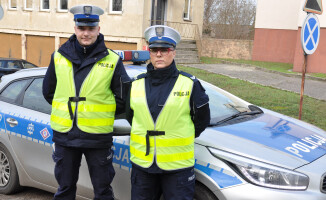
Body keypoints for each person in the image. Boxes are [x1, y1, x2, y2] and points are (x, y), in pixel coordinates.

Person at [42, 4, 130, 200]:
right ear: (75, 28)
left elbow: (124, 100)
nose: (86, 33)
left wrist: (99, 113)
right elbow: (48, 92)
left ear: (98, 29)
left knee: (103, 191)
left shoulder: (113, 61)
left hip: (97, 138)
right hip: (65, 136)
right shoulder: (58, 57)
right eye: (82, 28)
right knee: (65, 189)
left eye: (91, 29)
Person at [126, 25, 210, 200]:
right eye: (154, 49)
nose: (158, 54)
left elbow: (201, 120)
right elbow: (130, 117)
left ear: (174, 52)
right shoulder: (136, 84)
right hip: (143, 166)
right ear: (149, 52)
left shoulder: (189, 84)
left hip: (177, 169)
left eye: (164, 49)